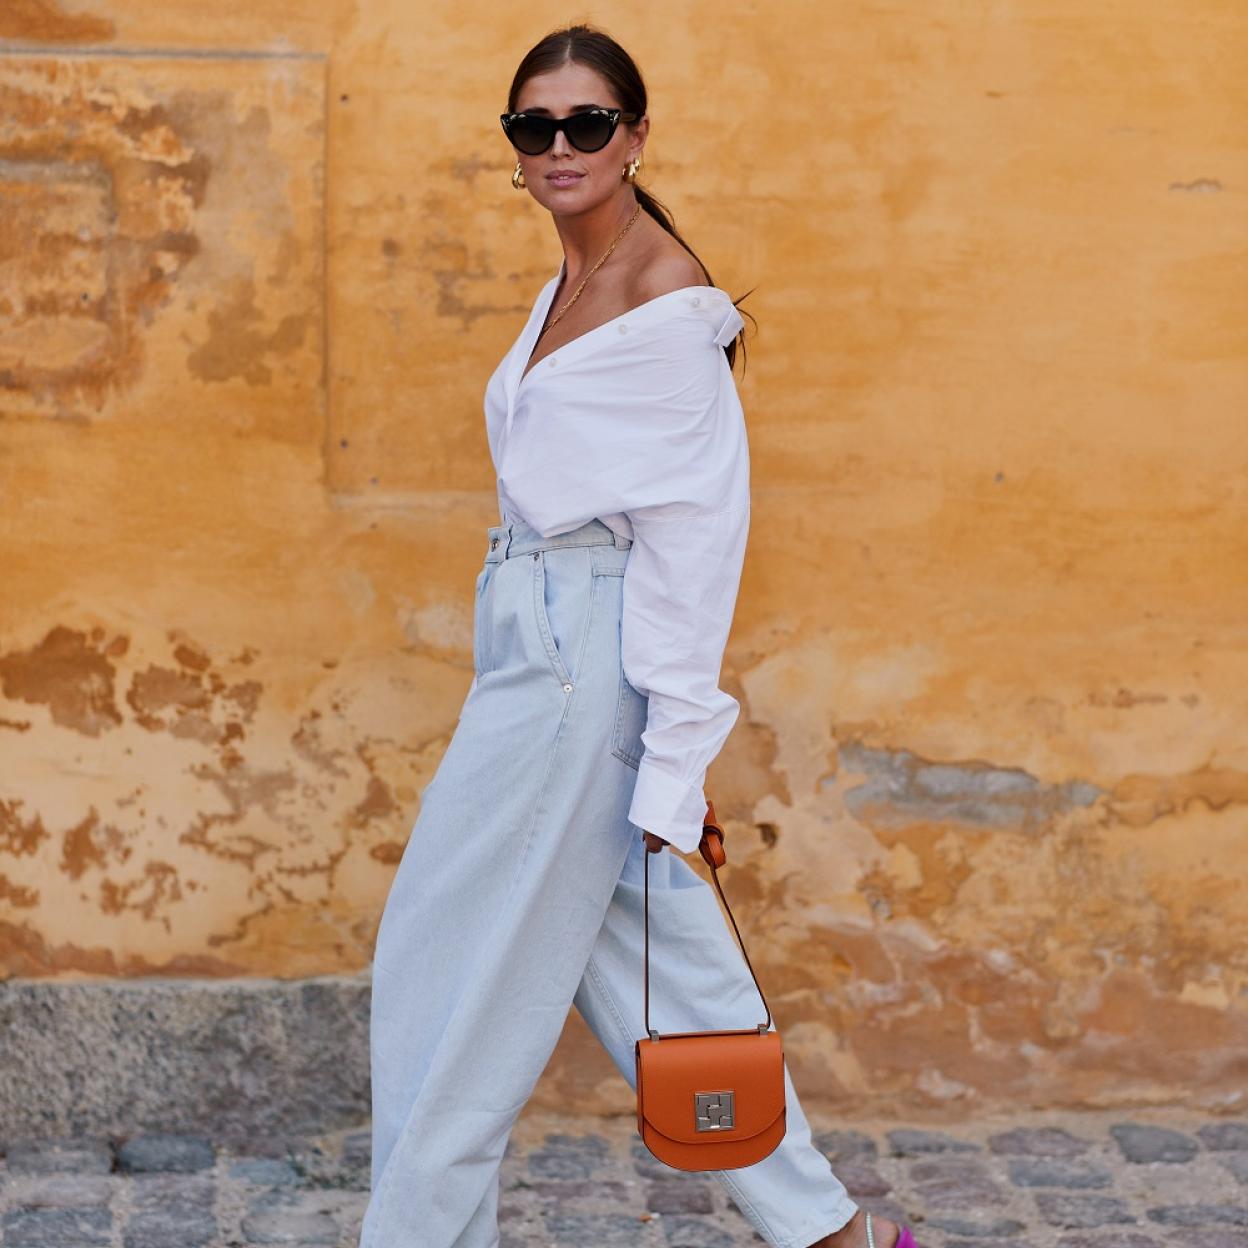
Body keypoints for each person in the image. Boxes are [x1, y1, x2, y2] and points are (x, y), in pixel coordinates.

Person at [360, 23, 916, 1248]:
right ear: (514, 149)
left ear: (635, 137)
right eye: (534, 127)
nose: (560, 147)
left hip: (577, 660)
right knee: (665, 964)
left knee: (452, 985)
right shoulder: (570, 282)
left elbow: (695, 539)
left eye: (587, 124)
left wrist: (675, 753)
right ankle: (833, 1237)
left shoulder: (663, 301)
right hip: (536, 644)